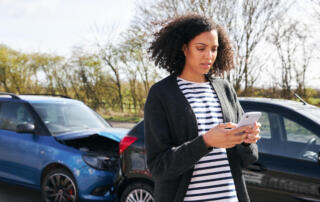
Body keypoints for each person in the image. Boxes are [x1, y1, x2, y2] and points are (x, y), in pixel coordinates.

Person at [144, 14, 261, 202]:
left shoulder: (225, 89)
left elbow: (248, 158)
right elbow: (159, 167)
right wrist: (205, 142)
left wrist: (247, 140)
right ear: (184, 48)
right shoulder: (161, 94)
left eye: (214, 49)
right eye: (201, 48)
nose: (209, 56)